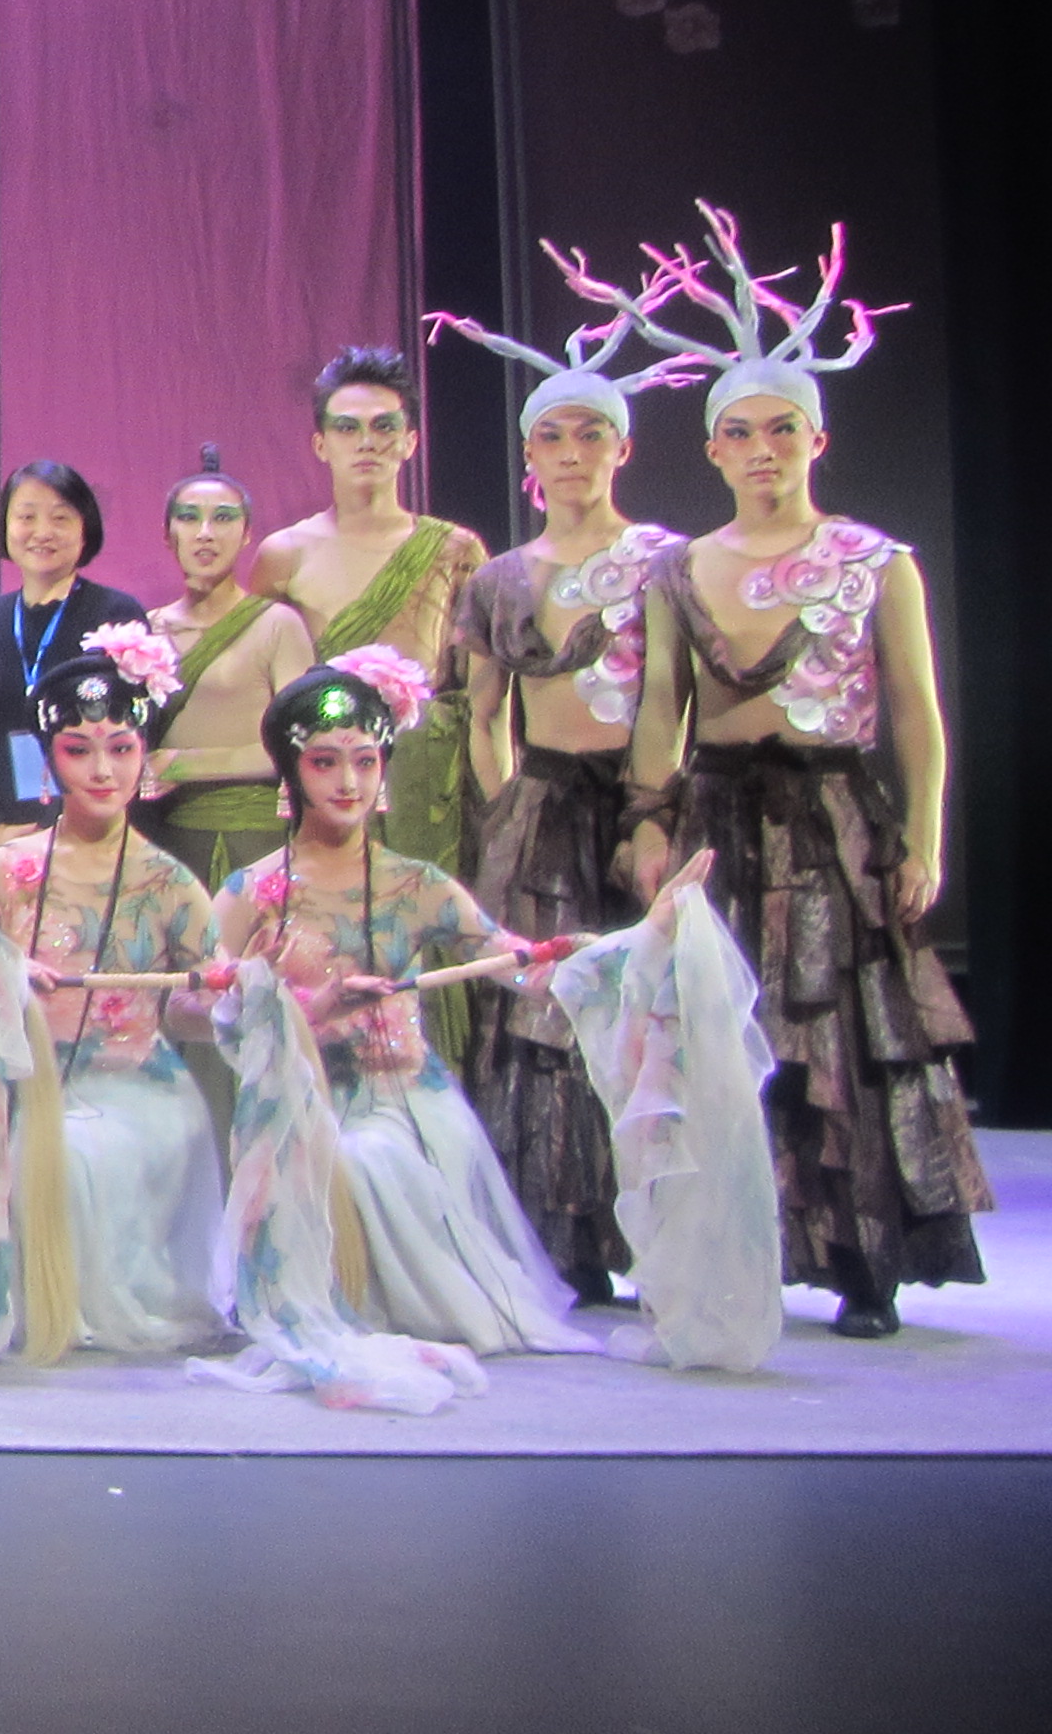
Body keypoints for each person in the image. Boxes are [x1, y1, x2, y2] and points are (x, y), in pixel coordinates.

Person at [620, 207, 988, 1336]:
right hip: (722, 809)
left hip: (834, 811)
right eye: (741, 432)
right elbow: (662, 707)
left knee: (842, 1029)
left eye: (783, 429)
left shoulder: (875, 561)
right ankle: (739, 1250)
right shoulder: (680, 570)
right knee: (722, 1029)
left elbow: (916, 711)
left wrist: (923, 837)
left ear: (815, 440)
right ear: (713, 450)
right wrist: (648, 822)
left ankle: (862, 1261)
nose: (763, 449)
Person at [430, 270, 703, 1302]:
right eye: (553, 437)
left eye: (592, 435)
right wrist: (504, 804)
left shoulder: (666, 562)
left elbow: (675, 698)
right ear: (530, 455)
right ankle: (567, 1237)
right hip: (541, 806)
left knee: (648, 1010)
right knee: (546, 1014)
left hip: (639, 801)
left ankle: (664, 1230)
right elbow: (483, 712)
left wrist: (657, 808)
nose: (572, 453)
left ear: (621, 449)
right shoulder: (501, 577)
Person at [218, 658, 589, 1356]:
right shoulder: (251, 893)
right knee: (339, 1152)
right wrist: (296, 1003)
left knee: (371, 1156)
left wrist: (596, 954)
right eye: (325, 762)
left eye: (365, 761)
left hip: (406, 1100)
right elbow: (190, 1011)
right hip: (299, 1101)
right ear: (291, 773)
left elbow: (514, 964)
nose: (348, 782)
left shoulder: (418, 885)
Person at [0, 634, 226, 1354]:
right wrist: (2, 977)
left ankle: (89, 1307)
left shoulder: (171, 882)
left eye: (122, 748)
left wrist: (225, 996)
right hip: (24, 1079)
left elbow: (196, 1013)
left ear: (145, 755)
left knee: (80, 1151)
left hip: (136, 1086)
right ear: (50, 761)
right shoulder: (3, 870)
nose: (103, 770)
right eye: (79, 750)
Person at [251, 346, 486, 876]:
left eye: (384, 426)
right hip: (325, 786)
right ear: (320, 443)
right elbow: (268, 692)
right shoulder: (283, 555)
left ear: (410, 441)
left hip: (428, 792)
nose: (367, 442)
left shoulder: (454, 550)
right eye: (347, 428)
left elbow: (482, 700)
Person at [0, 460, 146, 848]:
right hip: (4, 841)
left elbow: (138, 729)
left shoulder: (117, 617)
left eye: (60, 518)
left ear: (85, 528)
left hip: (94, 834)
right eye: (26, 517)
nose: (42, 532)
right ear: (5, 526)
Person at [139, 450, 313, 890]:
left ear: (247, 533)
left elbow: (303, 743)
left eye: (223, 518)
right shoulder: (145, 631)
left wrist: (183, 764)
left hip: (254, 836)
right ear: (167, 534)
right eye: (189, 518)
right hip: (166, 836)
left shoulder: (277, 625)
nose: (205, 533)